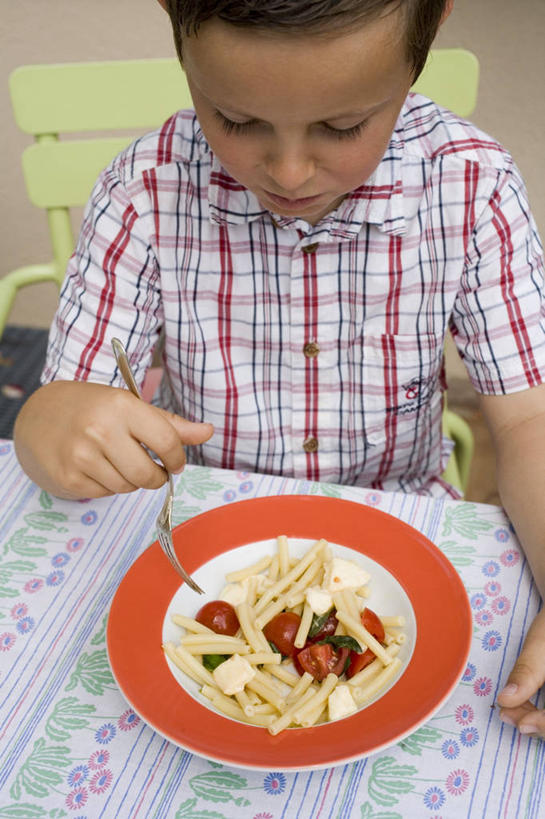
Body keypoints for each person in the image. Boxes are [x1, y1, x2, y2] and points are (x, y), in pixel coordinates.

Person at [13, 0, 545, 739]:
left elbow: (528, 419)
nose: (289, 171)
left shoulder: (470, 186)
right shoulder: (143, 192)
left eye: (341, 126)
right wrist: (49, 421)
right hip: (202, 546)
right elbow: (60, 418)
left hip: (408, 519)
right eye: (236, 120)